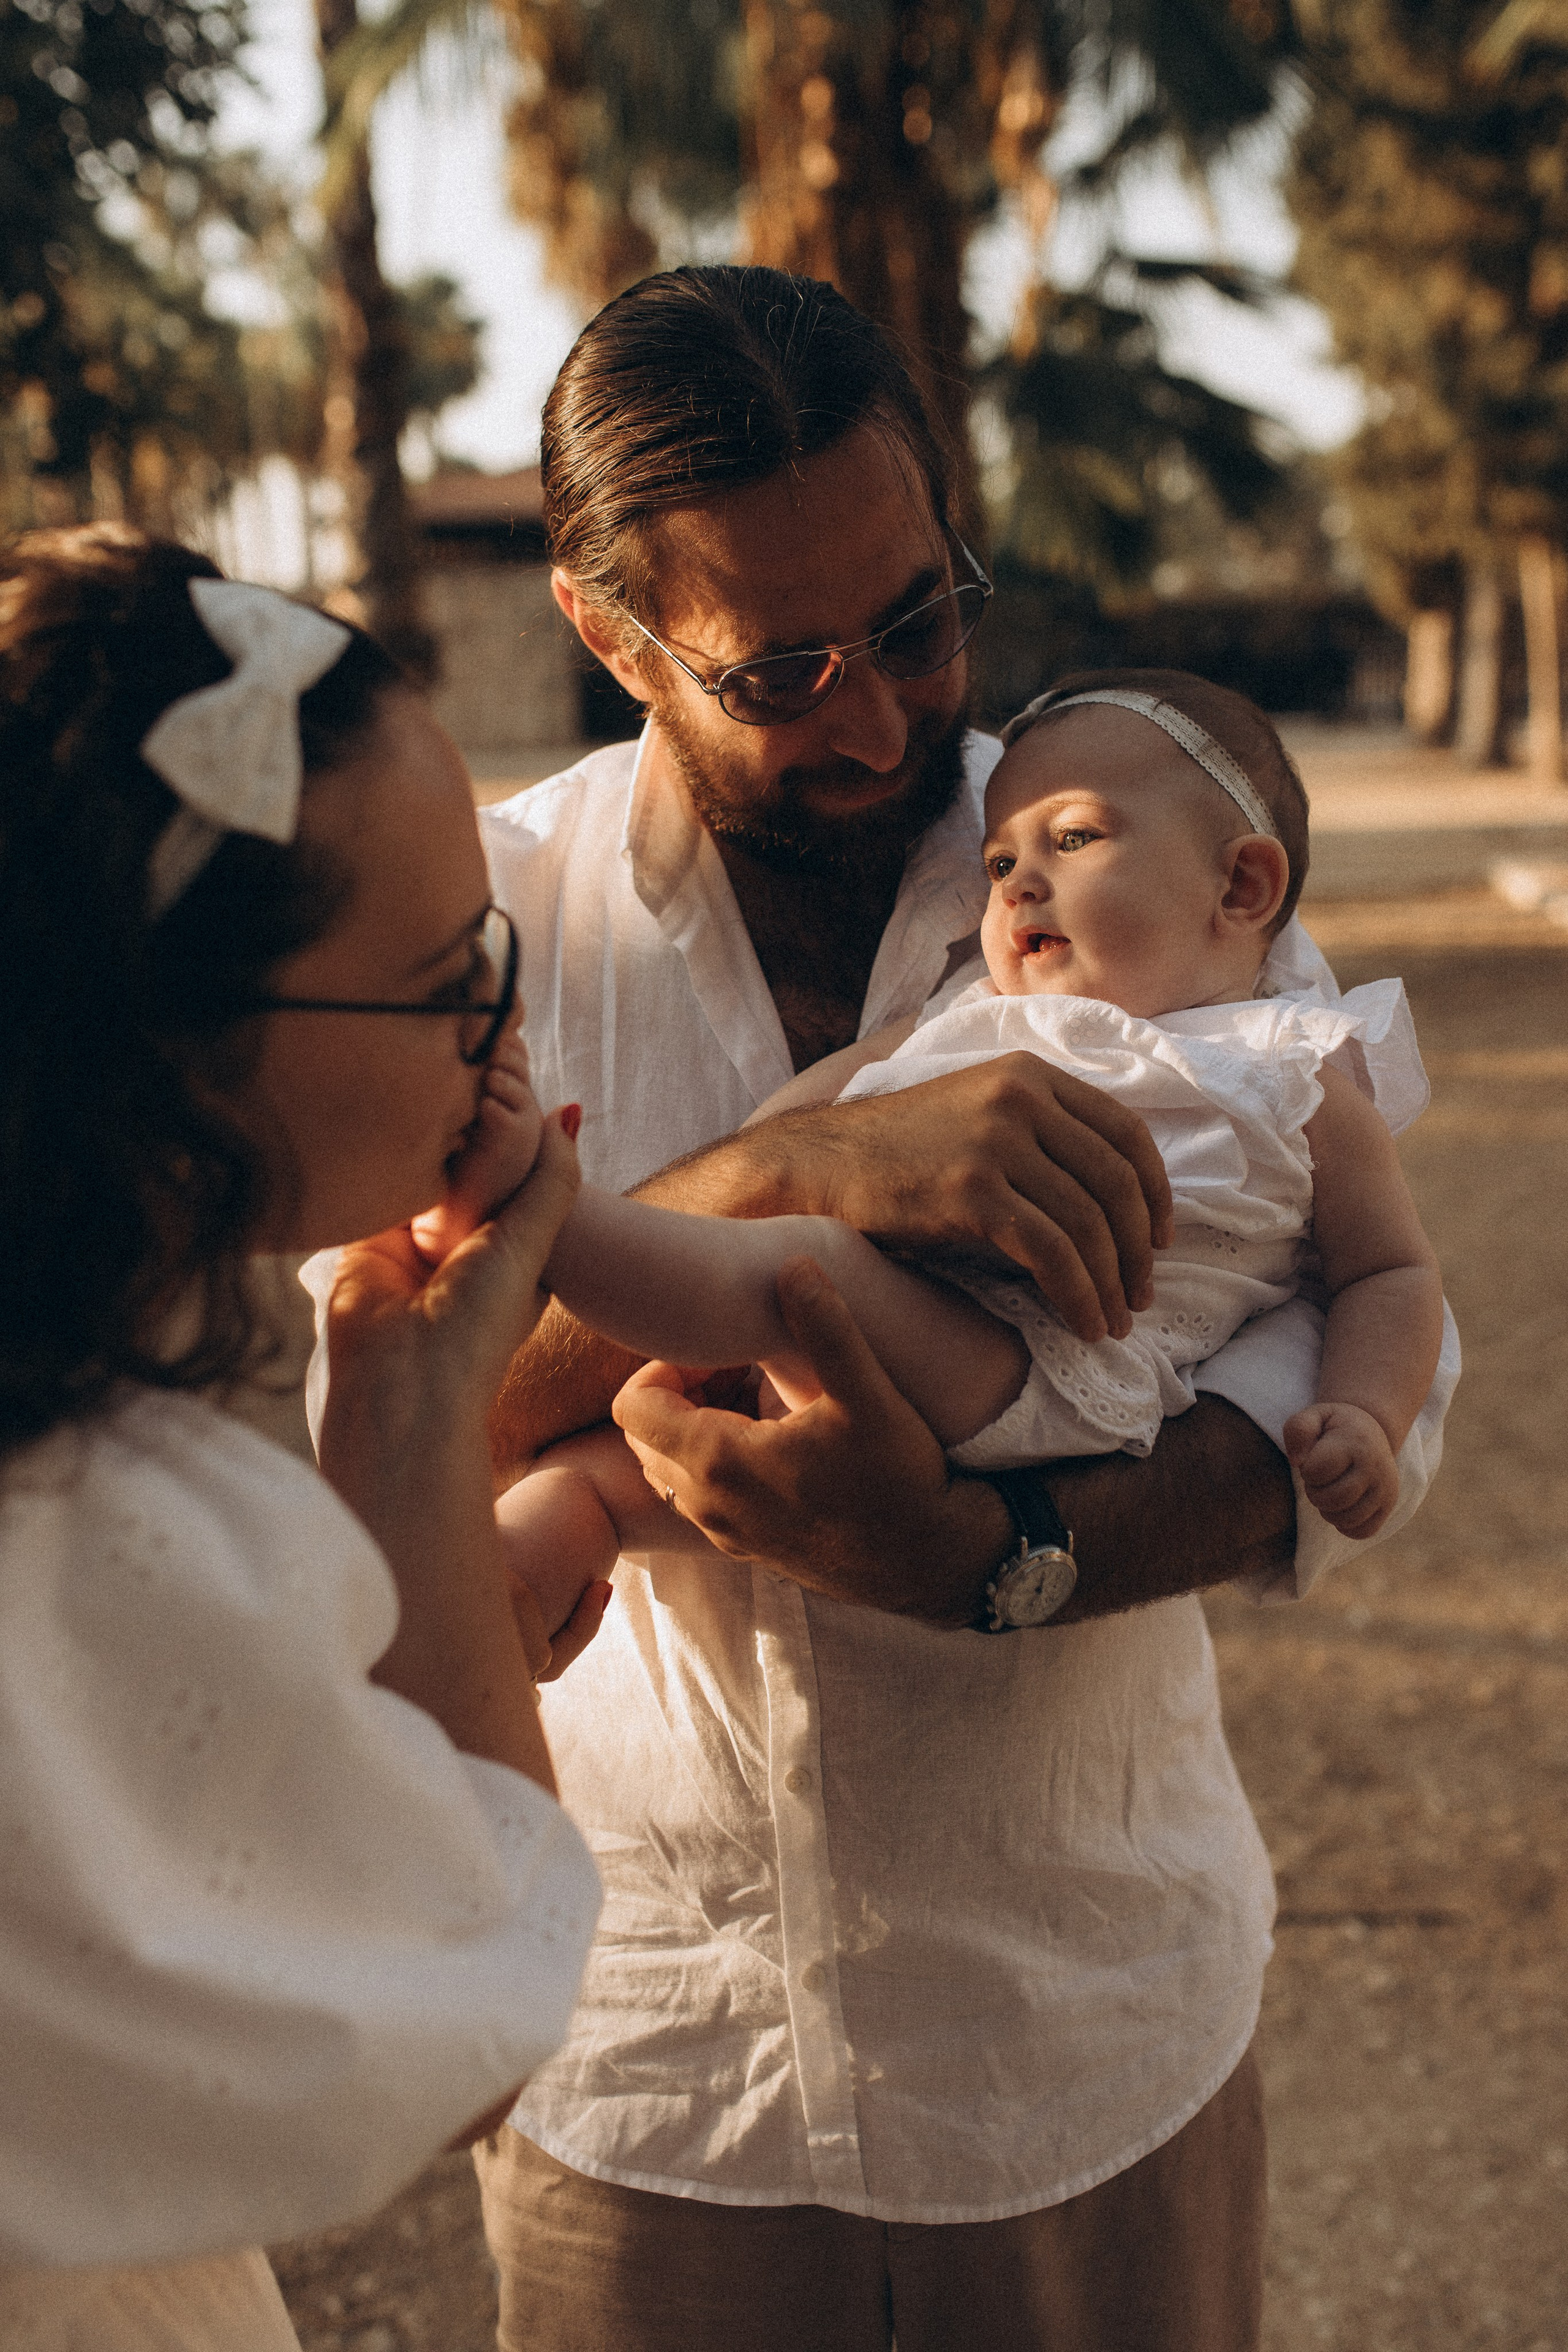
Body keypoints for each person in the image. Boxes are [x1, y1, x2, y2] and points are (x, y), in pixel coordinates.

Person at [460, 265, 1460, 2352]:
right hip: (647, 2081)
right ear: (608, 631)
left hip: (1082, 2049)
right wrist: (781, 1172)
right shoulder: (481, 927)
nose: (882, 717)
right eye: (786, 666)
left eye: (920, 620)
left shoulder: (1146, 835)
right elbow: (362, 1428)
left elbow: (1361, 1343)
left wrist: (995, 1558)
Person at [0, 527, 603, 2352]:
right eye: (442, 985)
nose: (496, 1038)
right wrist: (421, 1425)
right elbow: (466, 1979)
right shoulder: (106, 1537)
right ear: (178, 1045)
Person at [418, 668, 1442, 1637]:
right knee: (675, 1446)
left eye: (1073, 840)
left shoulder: (1290, 1065)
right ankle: (538, 1559)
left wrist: (1363, 1414)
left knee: (788, 1271)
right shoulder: (979, 1008)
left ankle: (557, 1210)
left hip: (1041, 1366)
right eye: (999, 863)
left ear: (1243, 888)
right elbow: (801, 1123)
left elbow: (1389, 1272)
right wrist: (779, 1163)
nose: (1018, 884)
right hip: (923, 1333)